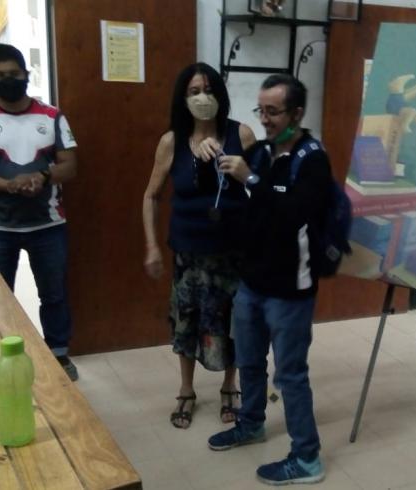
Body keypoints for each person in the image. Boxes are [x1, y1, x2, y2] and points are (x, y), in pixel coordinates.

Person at [206, 74, 330, 485]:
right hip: (252, 282)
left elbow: (293, 212)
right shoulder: (260, 152)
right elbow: (240, 197)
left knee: (290, 374)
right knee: (249, 360)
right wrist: (212, 157)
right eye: (261, 110)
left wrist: (251, 179)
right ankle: (251, 424)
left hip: (290, 289)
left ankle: (307, 459)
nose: (265, 119)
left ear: (297, 113)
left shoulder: (312, 158)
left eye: (273, 111)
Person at [142, 62, 255, 428]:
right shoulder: (171, 141)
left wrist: (245, 174)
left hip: (234, 253)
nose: (202, 98)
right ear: (183, 98)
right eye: (194, 92)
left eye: (208, 90)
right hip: (189, 254)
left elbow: (267, 190)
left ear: (220, 95)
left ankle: (229, 386)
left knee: (233, 322)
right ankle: (186, 389)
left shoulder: (242, 134)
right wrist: (152, 246)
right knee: (186, 322)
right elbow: (151, 196)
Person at [0, 44, 79, 381]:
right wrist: (9, 185)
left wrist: (42, 177)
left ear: (26, 75)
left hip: (48, 225)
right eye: (0, 75)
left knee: (54, 294)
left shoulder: (52, 116)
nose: (8, 80)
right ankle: (3, 357)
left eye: (14, 74)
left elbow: (70, 166)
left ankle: (58, 355)